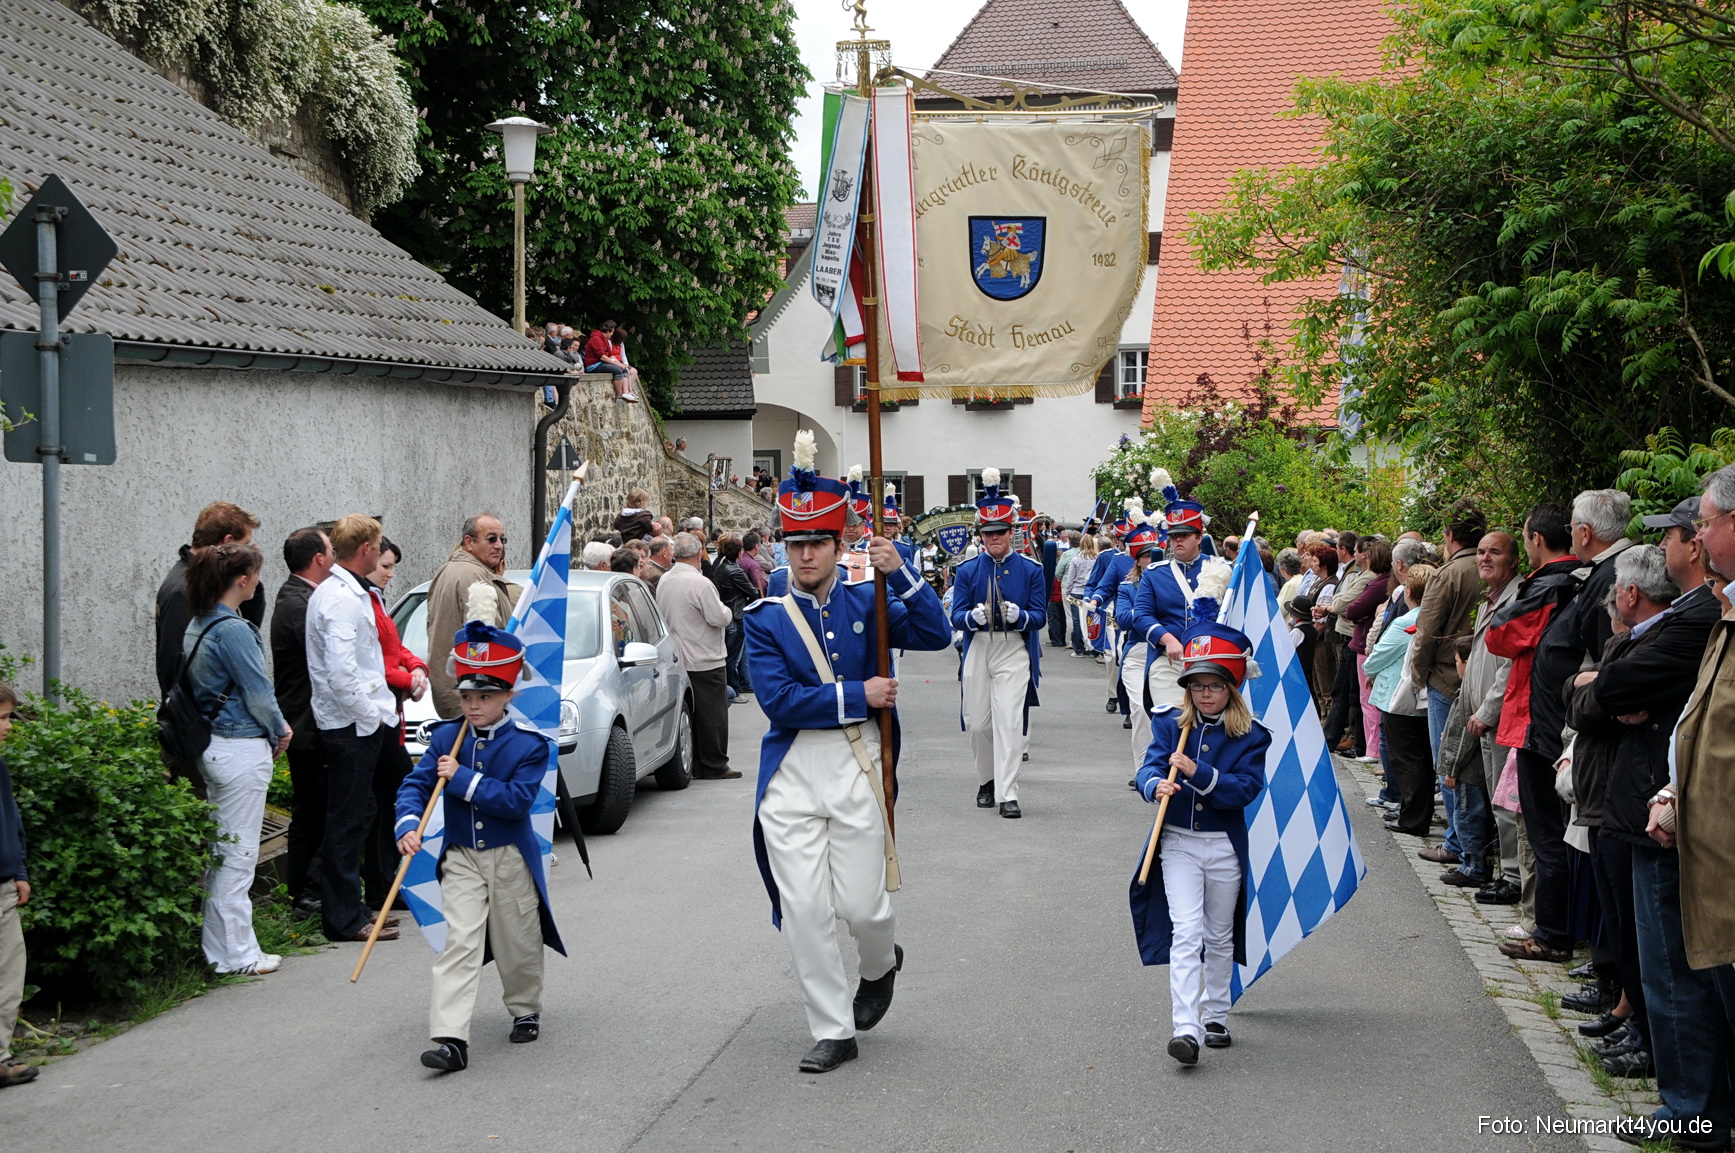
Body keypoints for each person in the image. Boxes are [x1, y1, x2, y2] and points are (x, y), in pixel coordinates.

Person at [742, 434, 950, 1073]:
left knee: (864, 906)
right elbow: (780, 703)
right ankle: (833, 1028)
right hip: (794, 772)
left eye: (817, 543)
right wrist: (862, 692)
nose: (805, 554)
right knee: (804, 910)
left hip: (859, 762)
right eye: (795, 543)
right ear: (784, 545)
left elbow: (939, 635)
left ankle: (881, 963)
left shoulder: (870, 598)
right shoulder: (764, 616)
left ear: (838, 545)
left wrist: (901, 571)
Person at [395, 623, 566, 1073]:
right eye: (467, 697)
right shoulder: (446, 738)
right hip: (462, 857)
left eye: (485, 697)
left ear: (508, 694)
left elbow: (515, 803)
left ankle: (525, 1007)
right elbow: (415, 786)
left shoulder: (529, 746)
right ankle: (451, 1039)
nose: (473, 705)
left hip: (510, 855)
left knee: (518, 940)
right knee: (459, 942)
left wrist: (464, 779)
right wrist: (408, 823)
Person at [1129, 621, 1270, 1065]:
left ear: (1232, 686)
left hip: (1224, 846)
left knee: (1218, 933)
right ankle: (1185, 1028)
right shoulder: (1171, 724)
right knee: (1186, 932)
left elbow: (1245, 790)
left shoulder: (1251, 735)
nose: (1205, 694)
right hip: (1178, 843)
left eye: (1214, 685)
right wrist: (1155, 786)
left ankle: (1216, 1014)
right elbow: (1147, 769)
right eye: (1196, 685)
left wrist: (1197, 773)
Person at [1485, 501, 1594, 963]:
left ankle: (1552, 933)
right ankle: (1559, 926)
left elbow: (1500, 635)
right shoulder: (1582, 581)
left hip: (1538, 720)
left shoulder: (1551, 585)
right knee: (1554, 835)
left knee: (1546, 835)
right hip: (1555, 717)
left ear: (1534, 540)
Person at [183, 542, 293, 975]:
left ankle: (221, 951)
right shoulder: (234, 629)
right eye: (257, 574)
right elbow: (259, 693)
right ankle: (239, 956)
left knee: (223, 852)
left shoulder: (199, 622)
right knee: (238, 855)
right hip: (240, 746)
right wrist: (280, 729)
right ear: (243, 580)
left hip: (215, 745)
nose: (259, 581)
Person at [306, 515, 401, 944]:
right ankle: (343, 918)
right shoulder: (340, 598)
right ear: (365, 549)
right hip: (351, 724)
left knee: (381, 803)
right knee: (347, 819)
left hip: (364, 720)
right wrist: (369, 717)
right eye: (378, 545)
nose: (382, 553)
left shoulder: (351, 592)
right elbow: (342, 674)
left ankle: (370, 901)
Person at [951, 469, 1046, 818]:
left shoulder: (1031, 570)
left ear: (1011, 532)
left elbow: (1040, 617)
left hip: (1013, 649)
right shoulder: (967, 570)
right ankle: (986, 780)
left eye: (1000, 532)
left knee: (1008, 720)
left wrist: (1019, 615)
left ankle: (1009, 793)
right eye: (987, 533)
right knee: (977, 723)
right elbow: (955, 615)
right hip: (978, 646)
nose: (994, 539)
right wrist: (970, 619)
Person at [1408, 502, 1489, 861]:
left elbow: (1427, 631)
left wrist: (1417, 673)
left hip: (1444, 676)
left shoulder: (1449, 574)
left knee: (1450, 765)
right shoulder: (1491, 569)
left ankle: (1457, 843)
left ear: (1450, 536)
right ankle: (1477, 842)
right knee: (1476, 767)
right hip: (1482, 674)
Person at [1447, 532, 1523, 902]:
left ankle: (1513, 877)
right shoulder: (1490, 600)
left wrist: (1488, 709)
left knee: (1506, 804)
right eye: (1481, 551)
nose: (1485, 558)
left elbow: (1510, 665)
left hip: (1499, 719)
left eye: (1495, 552)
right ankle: (1498, 869)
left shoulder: (1517, 597)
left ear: (1514, 560)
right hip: (1481, 719)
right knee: (1491, 799)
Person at [361, 536, 428, 913]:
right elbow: (373, 663)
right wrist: (409, 680)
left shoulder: (376, 599)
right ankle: (383, 883)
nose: (390, 573)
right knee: (397, 792)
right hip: (378, 715)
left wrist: (417, 667)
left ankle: (388, 881)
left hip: (392, 713)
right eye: (385, 566)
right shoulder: (360, 601)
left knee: (391, 798)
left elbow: (396, 648)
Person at [1131, 469, 1234, 712]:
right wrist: (1167, 639)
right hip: (1169, 661)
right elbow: (1142, 616)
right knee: (1172, 722)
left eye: (1184, 535)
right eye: (1174, 535)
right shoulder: (1156, 574)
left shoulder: (1220, 568)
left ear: (1199, 537)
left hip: (1211, 662)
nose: (1177, 540)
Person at [271, 527, 335, 915]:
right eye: (330, 550)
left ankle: (303, 893)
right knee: (323, 810)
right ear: (318, 559)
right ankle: (310, 892)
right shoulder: (301, 604)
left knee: (310, 811)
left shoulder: (298, 597)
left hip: (305, 722)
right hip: (309, 724)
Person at [156, 502, 264, 697]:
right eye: (247, 544)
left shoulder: (205, 581)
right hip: (203, 719)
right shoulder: (184, 588)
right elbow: (174, 664)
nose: (252, 551)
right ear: (228, 541)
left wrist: (251, 576)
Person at [657, 532, 736, 778]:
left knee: (692, 715)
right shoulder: (700, 583)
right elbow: (718, 617)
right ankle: (714, 764)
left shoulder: (666, 579)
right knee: (713, 715)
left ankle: (697, 763)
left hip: (680, 655)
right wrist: (727, 610)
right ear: (696, 554)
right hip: (704, 656)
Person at [426, 514, 521, 718]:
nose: (499, 546)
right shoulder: (473, 575)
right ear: (469, 542)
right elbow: (489, 640)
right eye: (491, 538)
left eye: (502, 539)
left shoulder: (451, 570)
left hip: (459, 687)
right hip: (471, 691)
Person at [1368, 563, 1438, 837]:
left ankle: (1413, 817)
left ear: (1410, 591)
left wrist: (1368, 670)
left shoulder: (1407, 620)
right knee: (1421, 758)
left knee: (1406, 759)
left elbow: (1380, 654)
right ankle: (1416, 811)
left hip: (1400, 696)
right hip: (1421, 697)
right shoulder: (1434, 616)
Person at [0, 683, 38, 1088]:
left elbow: (13, 826)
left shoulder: (0, 769)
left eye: (9, 717)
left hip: (5, 887)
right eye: (3, 718)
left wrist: (20, 873)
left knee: (9, 973)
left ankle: (0, 1056)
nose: (8, 726)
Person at [1117, 517, 1166, 771]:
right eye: (1147, 556)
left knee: (1166, 712)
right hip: (1137, 654)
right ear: (1138, 560)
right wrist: (1147, 612)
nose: (1152, 559)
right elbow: (1123, 619)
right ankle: (1143, 769)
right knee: (1140, 710)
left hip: (1165, 653)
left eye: (1155, 554)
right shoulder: (1127, 588)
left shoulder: (1170, 584)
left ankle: (1165, 766)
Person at [714, 533, 760, 698]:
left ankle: (736, 686)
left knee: (731, 655)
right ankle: (735, 689)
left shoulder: (720, 567)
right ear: (739, 553)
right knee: (734, 657)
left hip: (726, 612)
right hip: (736, 614)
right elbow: (754, 592)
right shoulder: (735, 571)